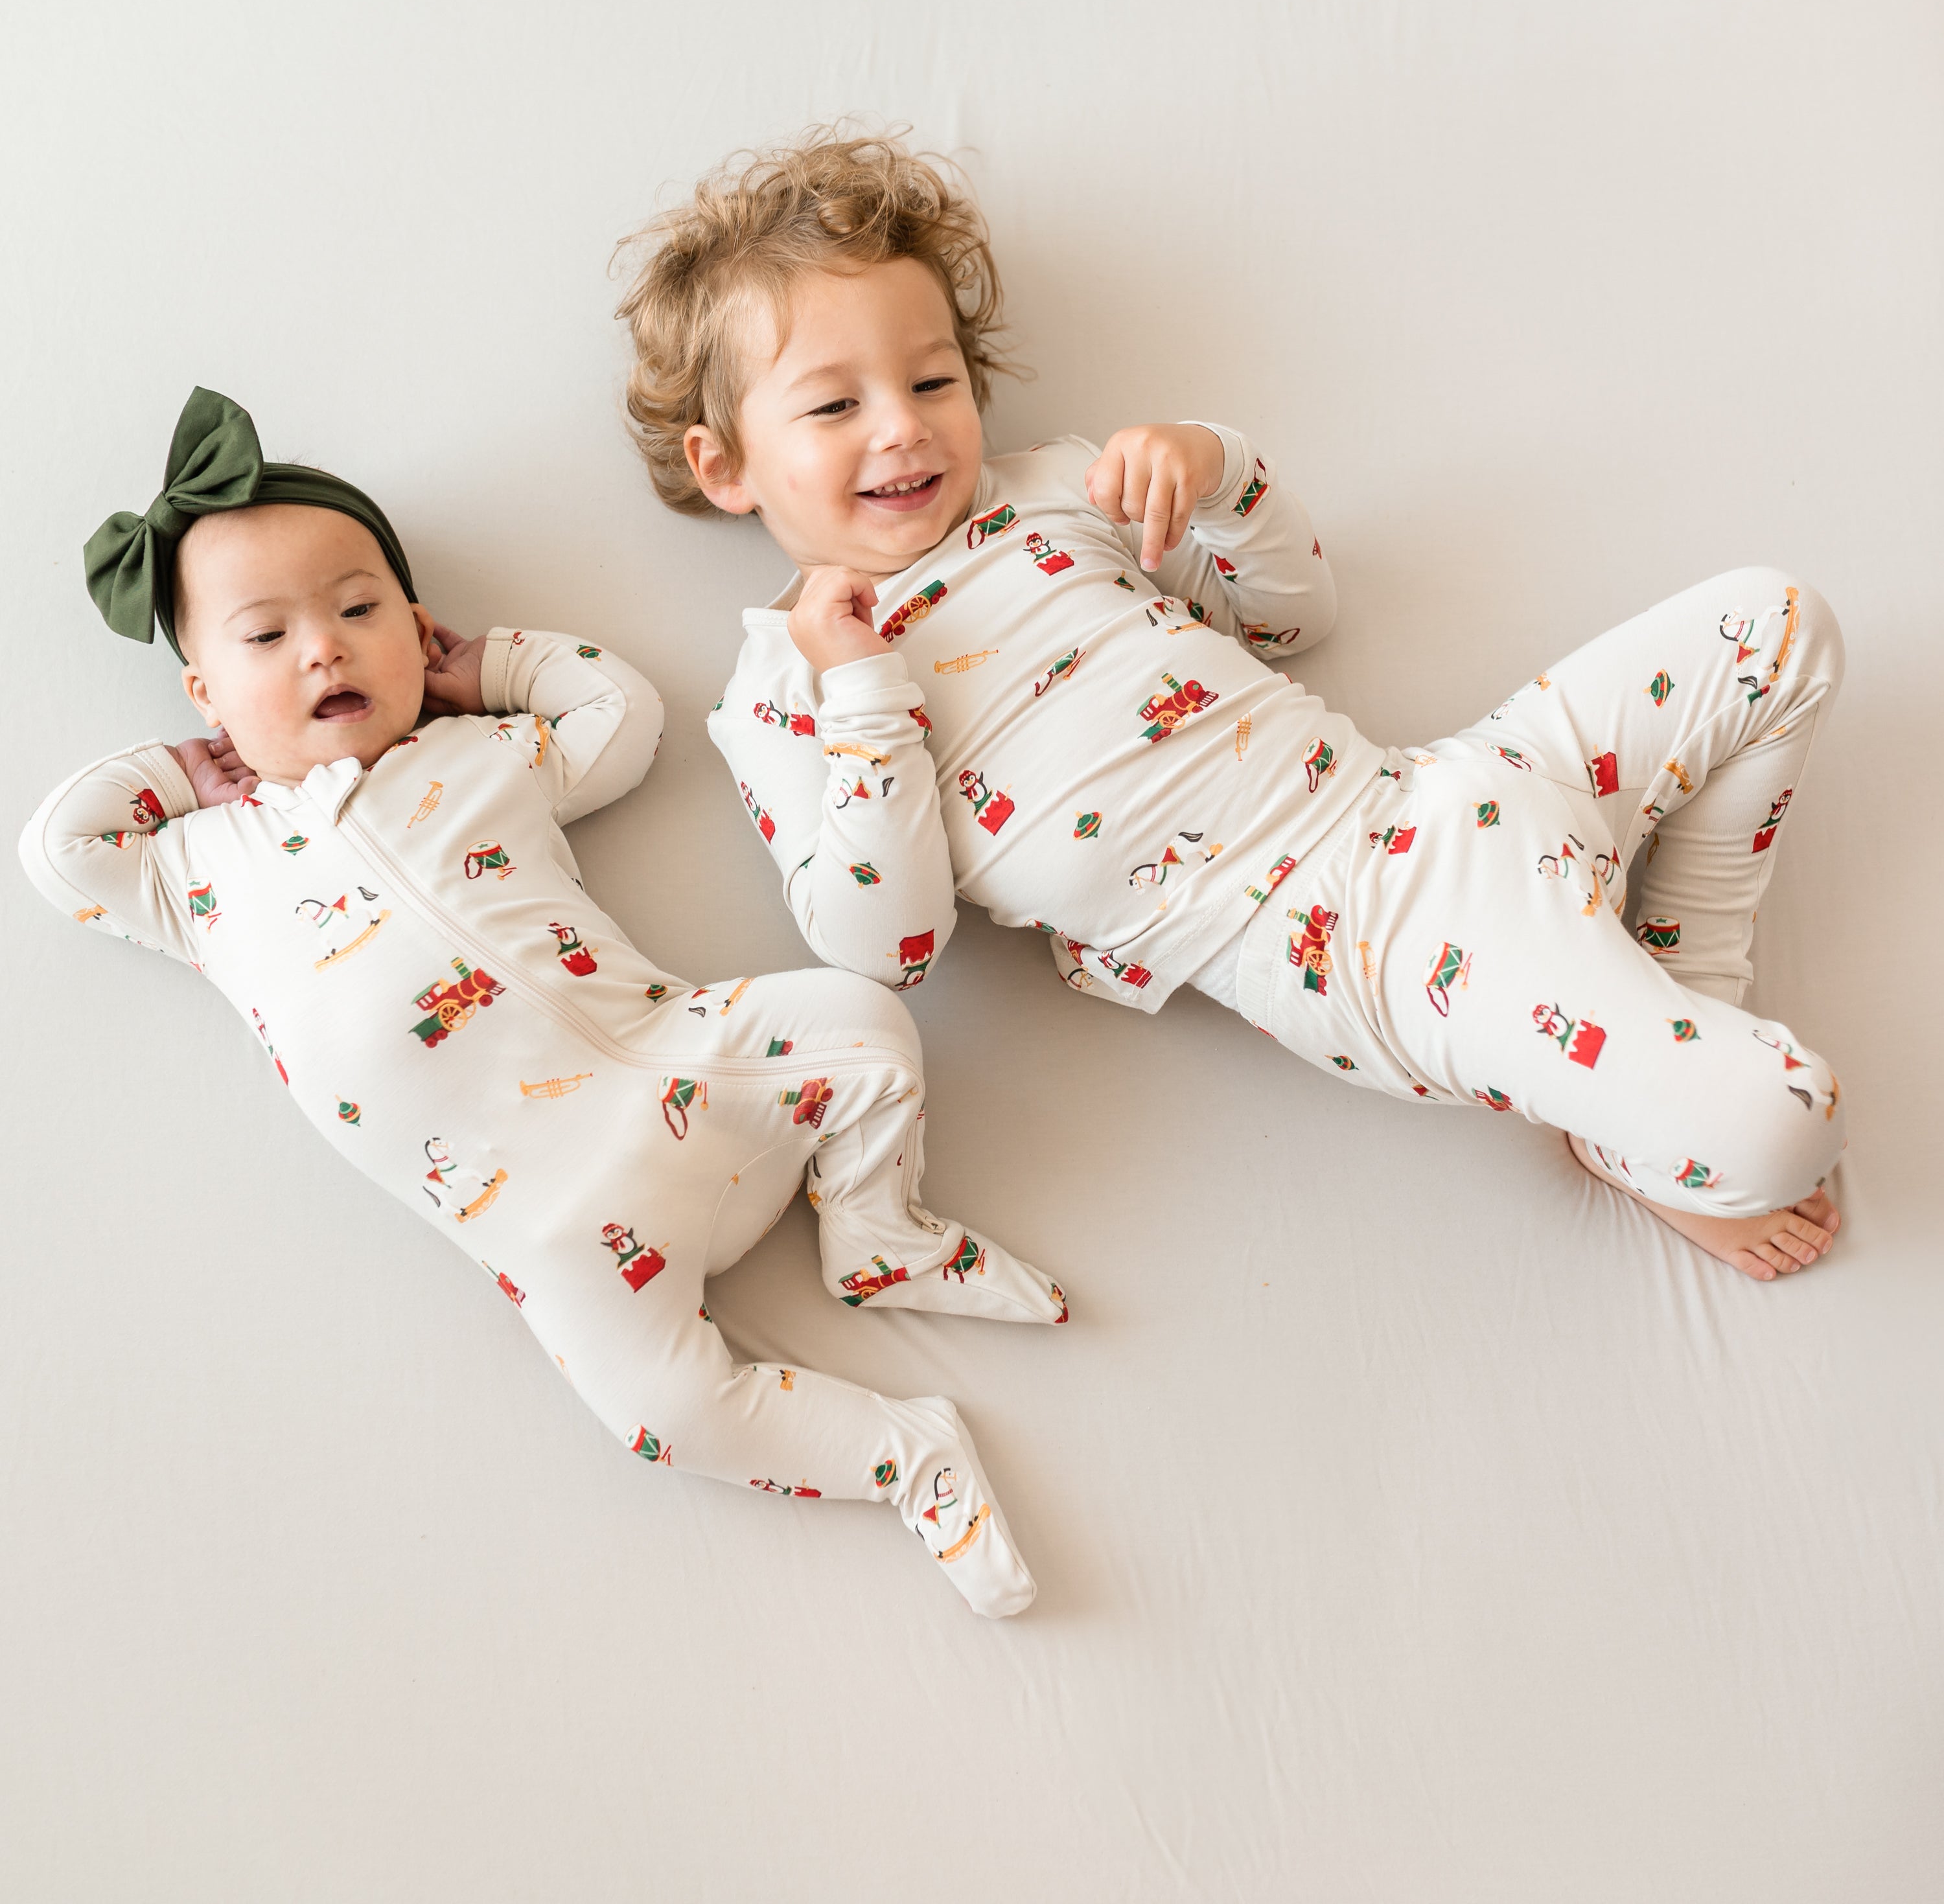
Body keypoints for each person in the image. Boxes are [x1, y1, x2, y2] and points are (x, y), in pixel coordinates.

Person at [615, 128, 1845, 1284]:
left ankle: (1686, 984)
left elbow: (1292, 622)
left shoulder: (1049, 491)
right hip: (1366, 949)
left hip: (1448, 788)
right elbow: (890, 946)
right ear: (723, 464)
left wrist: (1221, 473)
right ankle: (1642, 1106)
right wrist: (864, 688)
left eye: (933, 378)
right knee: (1787, 1127)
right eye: (835, 406)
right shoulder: (787, 690)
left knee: (1781, 622)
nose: (902, 426)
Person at [20, 386, 1067, 1618]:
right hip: (547, 1230)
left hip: (680, 1064)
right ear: (205, 692)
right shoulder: (201, 871)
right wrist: (193, 774)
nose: (325, 649)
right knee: (663, 1415)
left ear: (417, 630)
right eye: (265, 640)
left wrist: (482, 672)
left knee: (869, 1021)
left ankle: (877, 1232)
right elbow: (61, 852)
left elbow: (620, 717)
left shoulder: (478, 758)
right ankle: (906, 1455)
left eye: (361, 611)